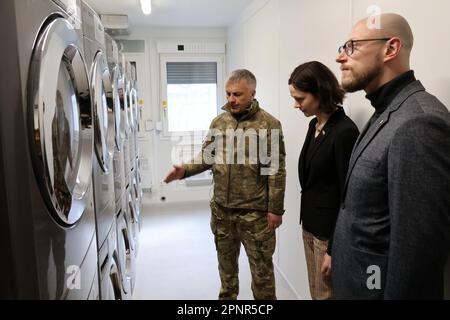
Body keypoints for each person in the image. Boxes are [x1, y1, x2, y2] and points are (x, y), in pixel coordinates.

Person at [333, 13, 450, 299]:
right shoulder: (386, 111)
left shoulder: (418, 122)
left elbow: (416, 258)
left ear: (391, 49)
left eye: (352, 46)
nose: (340, 58)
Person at [164, 69, 286, 300]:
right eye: (228, 94)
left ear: (252, 93)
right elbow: (206, 157)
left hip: (255, 215)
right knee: (227, 276)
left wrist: (275, 209)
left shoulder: (269, 124)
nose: (231, 99)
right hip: (222, 213)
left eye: (238, 94)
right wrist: (184, 170)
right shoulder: (219, 122)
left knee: (262, 277)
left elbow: (276, 171)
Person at [288, 61, 359, 300]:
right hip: (310, 225)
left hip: (328, 234)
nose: (296, 105)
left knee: (327, 296)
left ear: (319, 92)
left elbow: (347, 196)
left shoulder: (344, 132)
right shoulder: (315, 125)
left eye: (300, 99)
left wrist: (333, 249)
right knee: (317, 293)